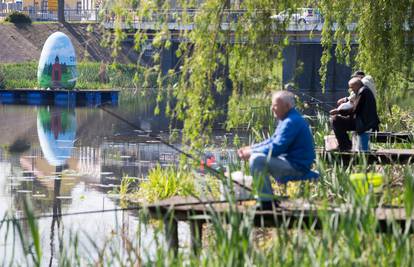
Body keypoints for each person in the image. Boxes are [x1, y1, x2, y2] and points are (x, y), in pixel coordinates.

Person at [237, 91, 316, 209]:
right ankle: (267, 200)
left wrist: (251, 153)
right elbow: (272, 141)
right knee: (256, 156)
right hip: (292, 162)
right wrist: (251, 148)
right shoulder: (287, 119)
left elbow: (277, 148)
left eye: (275, 105)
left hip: (297, 167)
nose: (272, 108)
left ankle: (266, 203)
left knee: (257, 159)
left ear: (287, 106)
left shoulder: (291, 121)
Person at [331, 77, 380, 151]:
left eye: (351, 87)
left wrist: (339, 112)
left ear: (357, 85)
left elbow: (355, 109)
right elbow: (357, 109)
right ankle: (346, 145)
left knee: (336, 120)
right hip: (365, 122)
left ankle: (345, 146)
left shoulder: (362, 92)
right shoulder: (364, 91)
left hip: (365, 124)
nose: (351, 89)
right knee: (337, 120)